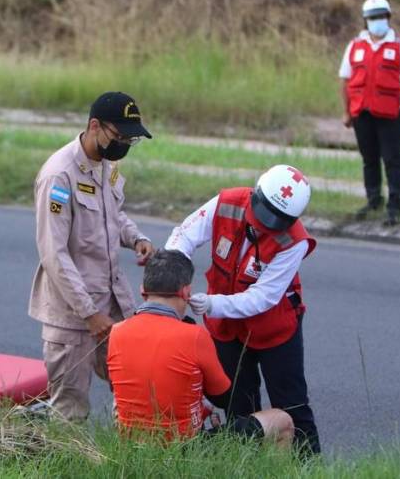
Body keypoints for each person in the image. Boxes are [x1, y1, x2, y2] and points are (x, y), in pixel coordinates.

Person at [166, 164, 321, 455]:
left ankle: (308, 467)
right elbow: (183, 235)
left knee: (292, 405)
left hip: (274, 329)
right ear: (255, 193)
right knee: (238, 403)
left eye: (278, 219)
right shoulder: (227, 203)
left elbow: (262, 297)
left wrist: (213, 304)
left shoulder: (294, 241)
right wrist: (174, 273)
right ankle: (248, 466)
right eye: (263, 212)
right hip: (226, 329)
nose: (266, 224)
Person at [30, 91, 154, 421]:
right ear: (95, 126)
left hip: (113, 302)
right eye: (120, 136)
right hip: (74, 315)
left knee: (132, 391)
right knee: (70, 410)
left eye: (131, 139)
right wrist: (89, 314)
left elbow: (113, 212)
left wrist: (136, 238)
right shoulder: (60, 175)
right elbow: (53, 253)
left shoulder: (104, 166)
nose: (124, 145)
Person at [107, 250, 294, 445]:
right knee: (282, 420)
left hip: (131, 445)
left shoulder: (117, 332)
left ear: (142, 289)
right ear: (186, 292)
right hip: (184, 448)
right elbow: (224, 398)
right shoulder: (195, 335)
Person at [339, 0, 400, 226]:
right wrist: (346, 112)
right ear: (366, 21)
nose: (378, 21)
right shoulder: (355, 46)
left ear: (388, 18)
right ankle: (373, 198)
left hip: (392, 113)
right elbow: (345, 79)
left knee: (392, 158)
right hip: (362, 113)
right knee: (369, 158)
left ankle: (394, 204)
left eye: (382, 16)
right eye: (373, 17)